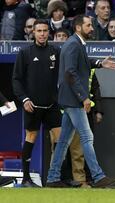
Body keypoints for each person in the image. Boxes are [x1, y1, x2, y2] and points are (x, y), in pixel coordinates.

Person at [46, 14, 115, 188]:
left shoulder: (74, 43)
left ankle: (52, 177)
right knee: (87, 137)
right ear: (79, 27)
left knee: (63, 141)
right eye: (88, 25)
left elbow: (82, 64)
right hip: (73, 100)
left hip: (69, 98)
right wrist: (84, 97)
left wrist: (101, 64)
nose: (92, 28)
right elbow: (70, 73)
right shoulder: (73, 44)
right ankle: (98, 176)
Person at [12, 19, 62, 187]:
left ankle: (56, 178)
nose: (42, 34)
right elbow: (16, 80)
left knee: (60, 139)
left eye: (45, 31)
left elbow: (66, 72)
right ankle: (26, 179)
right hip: (32, 105)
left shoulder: (56, 51)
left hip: (51, 105)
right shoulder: (25, 53)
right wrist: (24, 99)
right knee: (31, 137)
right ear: (33, 32)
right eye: (39, 31)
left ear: (49, 32)